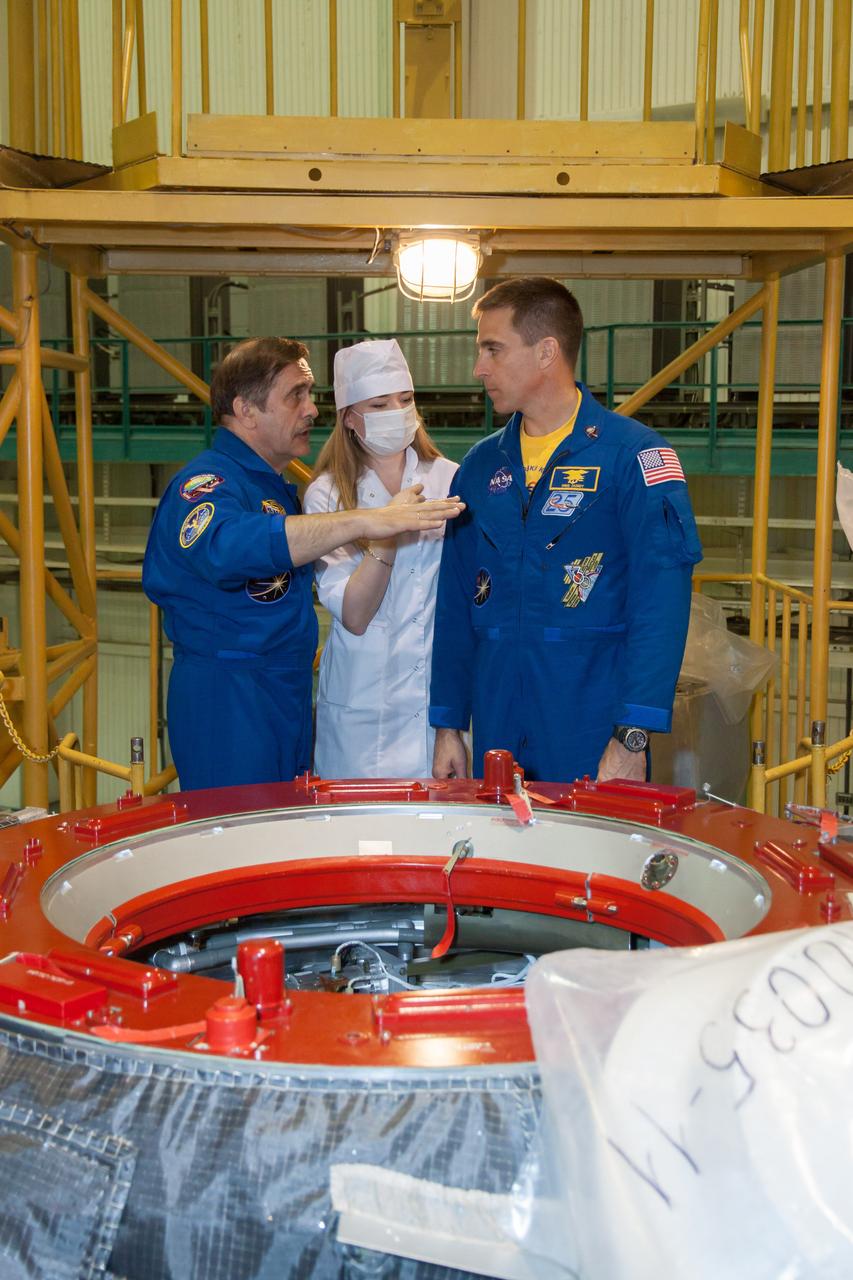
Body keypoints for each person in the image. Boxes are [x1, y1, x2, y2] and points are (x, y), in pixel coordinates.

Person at [143, 336, 463, 791]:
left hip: (285, 692)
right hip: (229, 696)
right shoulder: (206, 484)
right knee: (239, 826)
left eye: (310, 394)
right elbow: (227, 545)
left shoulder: (270, 489)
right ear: (246, 410)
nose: (312, 410)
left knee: (284, 825)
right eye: (296, 395)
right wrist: (369, 522)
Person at [429, 277, 703, 786]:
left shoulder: (633, 457)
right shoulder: (480, 467)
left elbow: (661, 606)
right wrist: (448, 723)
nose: (478, 368)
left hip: (593, 731)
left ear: (546, 352)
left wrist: (633, 734)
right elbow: (455, 604)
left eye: (493, 349)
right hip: (497, 729)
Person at [304, 339, 459, 777]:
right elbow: (354, 614)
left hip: (431, 713)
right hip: (359, 715)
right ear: (349, 418)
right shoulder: (327, 496)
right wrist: (387, 528)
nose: (397, 411)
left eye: (405, 399)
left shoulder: (448, 479)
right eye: (379, 404)